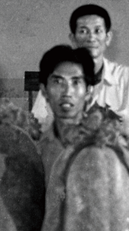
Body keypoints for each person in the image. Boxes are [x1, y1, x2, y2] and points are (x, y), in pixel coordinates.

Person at [31, 4, 129, 139]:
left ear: (108, 38)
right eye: (83, 31)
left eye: (97, 31)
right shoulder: (56, 79)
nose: (91, 38)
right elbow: (38, 129)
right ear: (73, 39)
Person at [36, 44, 96, 178]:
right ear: (44, 90)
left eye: (76, 82)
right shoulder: (37, 149)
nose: (67, 92)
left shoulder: (104, 143)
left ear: (88, 91)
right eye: (58, 82)